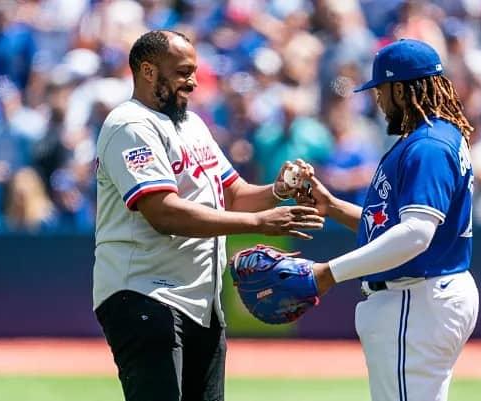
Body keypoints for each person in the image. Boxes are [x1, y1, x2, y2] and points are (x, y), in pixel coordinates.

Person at [93, 30, 323, 401]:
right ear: (148, 71)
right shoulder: (131, 125)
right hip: (144, 293)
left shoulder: (192, 125)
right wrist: (259, 224)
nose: (193, 81)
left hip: (201, 301)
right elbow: (162, 212)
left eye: (194, 71)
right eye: (183, 71)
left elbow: (233, 194)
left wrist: (278, 190)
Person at [301, 39, 479, 401]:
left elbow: (415, 235)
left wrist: (328, 272)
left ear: (400, 88)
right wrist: (334, 206)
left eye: (380, 90)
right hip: (423, 295)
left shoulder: (427, 145)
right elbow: (394, 228)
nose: (377, 100)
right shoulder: (433, 137)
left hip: (416, 297)